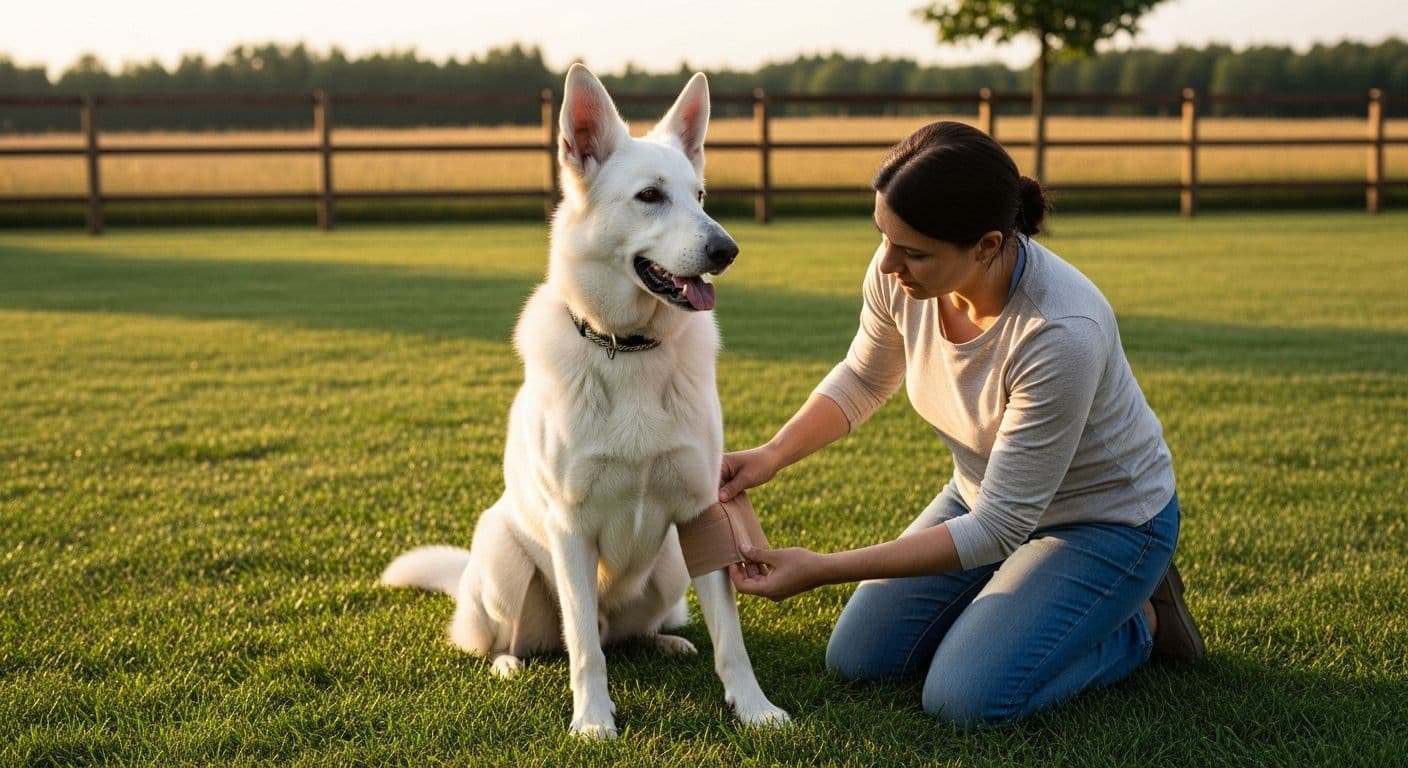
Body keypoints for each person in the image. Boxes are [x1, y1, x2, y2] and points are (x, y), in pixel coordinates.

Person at [721, 120, 1204, 728]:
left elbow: (999, 528)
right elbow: (866, 377)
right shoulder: (903, 273)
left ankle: (1141, 623)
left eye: (914, 251)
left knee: (965, 699)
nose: (889, 262)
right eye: (885, 237)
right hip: (982, 499)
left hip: (1104, 522)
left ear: (985, 246)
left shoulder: (1059, 332)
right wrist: (770, 455)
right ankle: (1026, 604)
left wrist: (824, 567)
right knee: (859, 659)